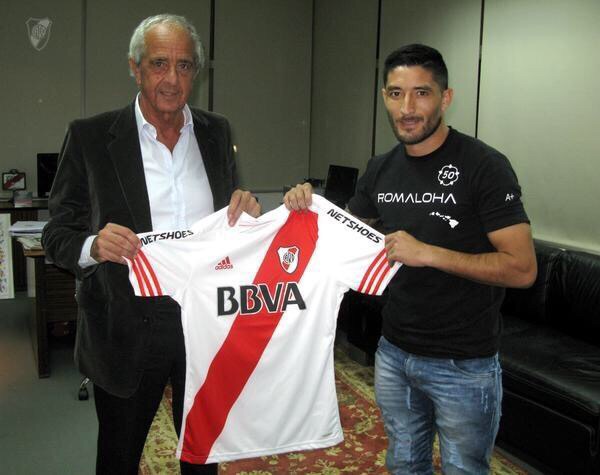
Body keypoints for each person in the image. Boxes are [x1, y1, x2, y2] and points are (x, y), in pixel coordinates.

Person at [284, 44, 537, 474]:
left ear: (445, 97)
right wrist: (306, 206)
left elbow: (522, 268)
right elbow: (341, 234)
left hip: (464, 362)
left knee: (464, 468)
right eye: (396, 94)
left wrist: (428, 254)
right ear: (384, 97)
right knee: (404, 462)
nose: (407, 108)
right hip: (395, 352)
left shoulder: (484, 166)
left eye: (421, 93)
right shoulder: (381, 168)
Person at [42, 14, 259, 475]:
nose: (172, 79)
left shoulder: (217, 132)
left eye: (184, 66)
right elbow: (56, 233)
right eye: (159, 64)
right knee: (119, 458)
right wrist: (93, 246)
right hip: (126, 324)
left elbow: (227, 220)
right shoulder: (90, 136)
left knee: (202, 456)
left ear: (196, 72)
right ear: (135, 68)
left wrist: (245, 212)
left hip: (204, 323)